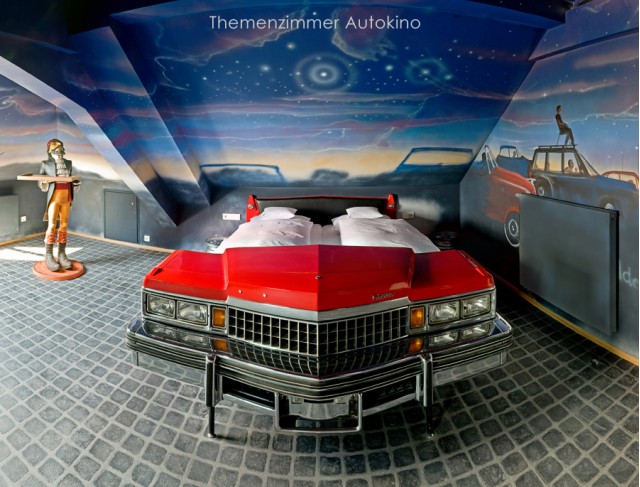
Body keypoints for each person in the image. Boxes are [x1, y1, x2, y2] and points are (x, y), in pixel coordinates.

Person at [38, 139, 80, 271]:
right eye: (56, 148)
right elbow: (40, 180)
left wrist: (75, 182)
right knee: (51, 224)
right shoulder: (45, 164)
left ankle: (62, 254)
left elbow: (71, 178)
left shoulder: (68, 163)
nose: (59, 151)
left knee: (64, 224)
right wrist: (44, 181)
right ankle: (49, 255)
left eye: (61, 148)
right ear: (50, 150)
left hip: (66, 197)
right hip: (54, 197)